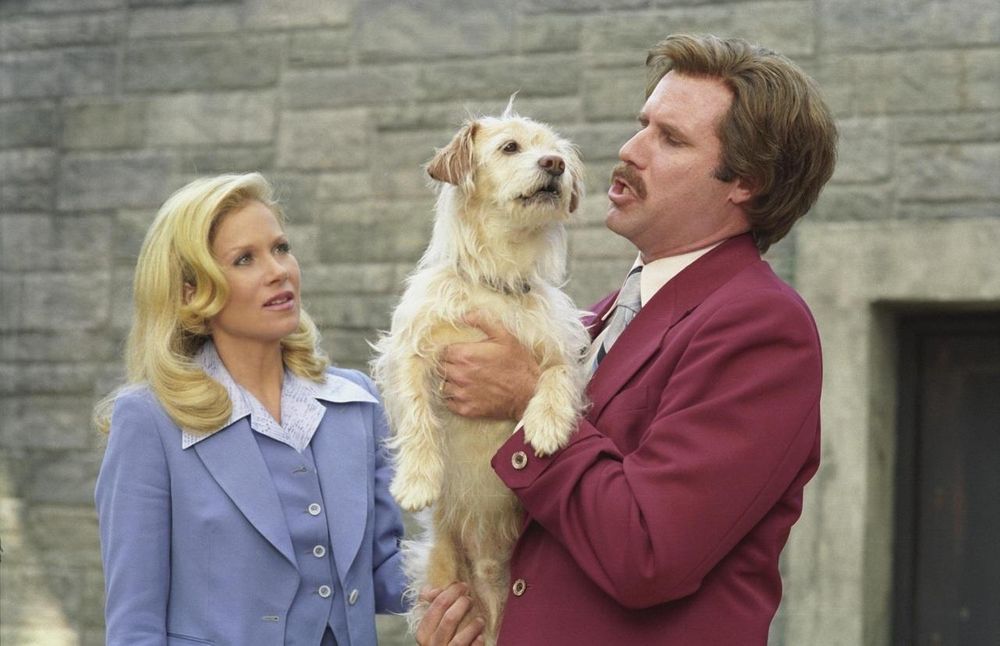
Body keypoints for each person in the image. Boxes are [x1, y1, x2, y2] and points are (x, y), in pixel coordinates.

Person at [418, 33, 837, 645]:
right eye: (643, 125)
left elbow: (648, 552)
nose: (629, 150)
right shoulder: (597, 319)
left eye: (670, 139)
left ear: (745, 181)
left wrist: (529, 399)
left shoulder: (763, 327)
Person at [93, 173, 406, 645]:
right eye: (245, 259)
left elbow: (383, 571)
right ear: (190, 292)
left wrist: (477, 563)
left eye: (281, 248)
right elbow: (135, 627)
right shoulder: (149, 420)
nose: (278, 271)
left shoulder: (355, 402)